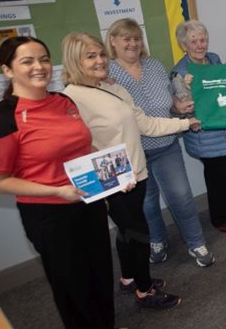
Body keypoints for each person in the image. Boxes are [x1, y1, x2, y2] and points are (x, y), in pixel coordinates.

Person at [0, 36, 140, 329]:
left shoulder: (60, 101)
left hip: (86, 202)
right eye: (27, 61)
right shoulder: (1, 121)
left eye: (43, 58)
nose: (38, 67)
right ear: (7, 69)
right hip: (49, 213)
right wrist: (56, 191)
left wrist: (110, 179)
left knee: (97, 269)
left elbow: (82, 148)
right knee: (72, 281)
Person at [62, 32, 186, 310]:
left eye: (101, 54)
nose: (100, 60)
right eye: (90, 56)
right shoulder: (71, 99)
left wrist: (185, 123)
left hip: (135, 174)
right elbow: (77, 147)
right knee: (138, 233)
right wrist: (109, 179)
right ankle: (144, 291)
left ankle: (129, 278)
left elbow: (146, 125)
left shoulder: (113, 88)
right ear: (74, 61)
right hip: (115, 181)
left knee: (126, 233)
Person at [106, 18, 214, 267]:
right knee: (146, 203)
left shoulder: (154, 66)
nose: (132, 43)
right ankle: (157, 241)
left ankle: (196, 242)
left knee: (181, 196)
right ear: (113, 41)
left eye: (136, 38)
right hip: (132, 152)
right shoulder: (107, 74)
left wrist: (180, 107)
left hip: (166, 146)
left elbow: (170, 101)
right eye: (126, 38)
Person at [171, 19, 226, 234]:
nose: (199, 45)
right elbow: (184, 106)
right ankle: (220, 218)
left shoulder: (214, 59)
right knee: (218, 178)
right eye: (193, 41)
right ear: (184, 45)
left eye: (203, 40)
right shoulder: (180, 72)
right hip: (205, 133)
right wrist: (188, 91)